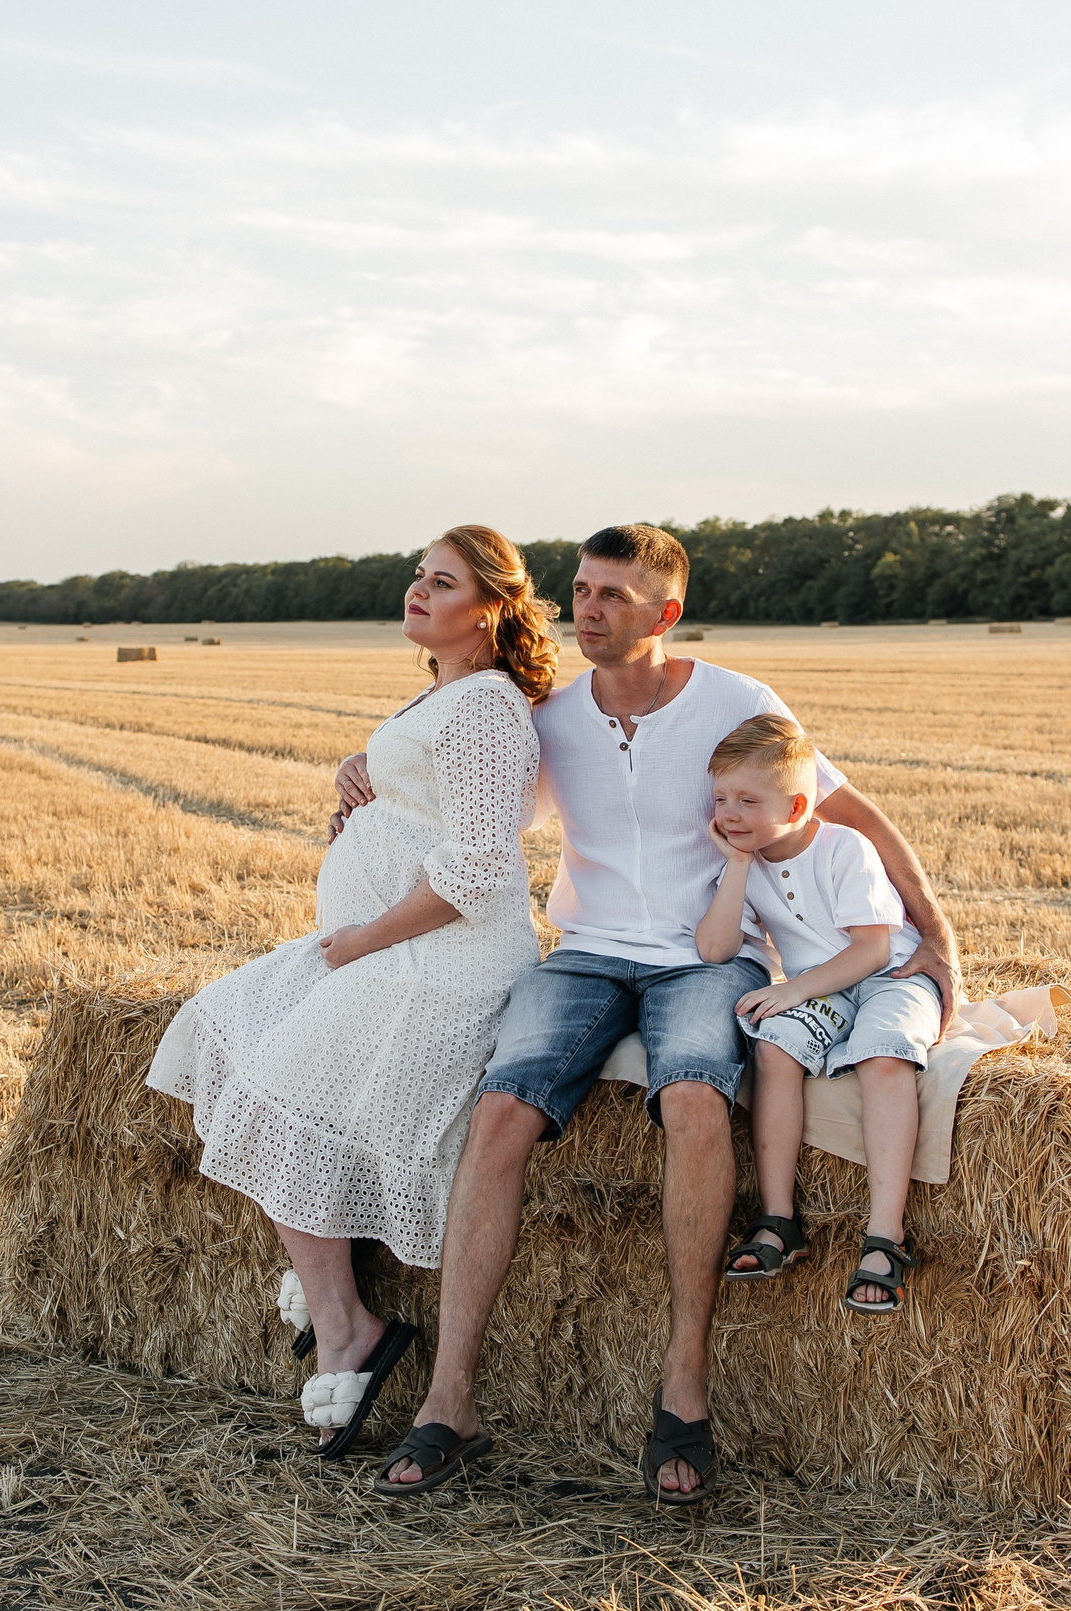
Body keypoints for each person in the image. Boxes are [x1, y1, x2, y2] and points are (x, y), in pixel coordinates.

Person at [338, 523, 960, 1500]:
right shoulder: (545, 712)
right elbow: (452, 768)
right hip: (582, 954)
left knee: (695, 1104)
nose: (586, 610)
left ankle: (683, 1388)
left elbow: (845, 811)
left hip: (700, 960)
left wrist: (934, 937)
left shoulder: (736, 704)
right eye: (580, 592)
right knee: (499, 1113)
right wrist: (363, 768)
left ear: (663, 614)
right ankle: (446, 1404)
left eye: (611, 597)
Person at [146, 525, 559, 1460]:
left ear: (488, 610)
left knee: (275, 1095)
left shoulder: (489, 708)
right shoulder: (447, 691)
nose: (417, 590)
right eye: (418, 574)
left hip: (440, 963)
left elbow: (479, 867)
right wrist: (365, 774)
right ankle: (327, 1270)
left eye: (441, 581)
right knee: (226, 1028)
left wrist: (365, 939)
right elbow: (435, 801)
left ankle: (348, 1328)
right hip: (384, 950)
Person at [696, 714, 937, 1315]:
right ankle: (779, 1220)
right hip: (824, 991)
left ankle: (886, 1236)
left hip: (891, 977)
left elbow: (873, 948)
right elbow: (715, 948)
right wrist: (737, 866)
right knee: (773, 1047)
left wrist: (795, 989)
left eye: (748, 800)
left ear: (798, 804)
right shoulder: (745, 864)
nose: (728, 812)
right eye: (721, 797)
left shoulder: (843, 848)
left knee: (885, 1056)